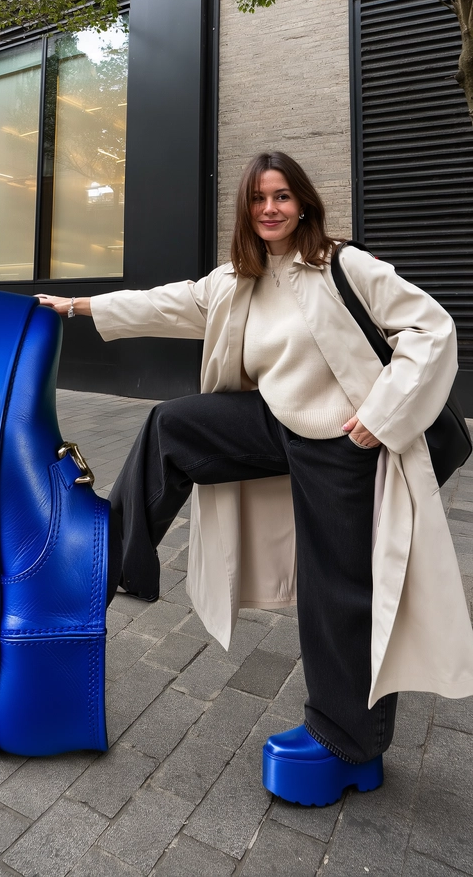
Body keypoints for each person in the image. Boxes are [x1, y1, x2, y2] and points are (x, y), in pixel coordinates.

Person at [36, 151, 473, 806]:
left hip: (346, 444)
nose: (271, 208)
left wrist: (382, 414)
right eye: (259, 198)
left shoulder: (343, 264)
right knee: (173, 428)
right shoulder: (237, 280)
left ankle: (349, 744)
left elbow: (430, 328)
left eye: (283, 196)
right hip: (276, 424)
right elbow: (167, 304)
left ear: (303, 203)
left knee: (338, 591)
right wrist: (79, 307)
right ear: (246, 210)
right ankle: (108, 566)